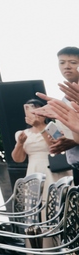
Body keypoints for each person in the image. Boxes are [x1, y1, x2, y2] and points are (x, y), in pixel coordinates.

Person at [11, 99, 68, 195]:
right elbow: (18, 159)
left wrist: (40, 126)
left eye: (39, 111)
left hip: (54, 169)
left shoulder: (53, 127)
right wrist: (20, 143)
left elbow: (57, 147)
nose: (36, 114)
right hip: (34, 170)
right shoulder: (22, 133)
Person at [48, 46, 79, 183]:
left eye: (73, 62)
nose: (67, 66)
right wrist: (61, 139)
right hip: (75, 165)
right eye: (62, 62)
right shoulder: (64, 99)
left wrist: (74, 141)